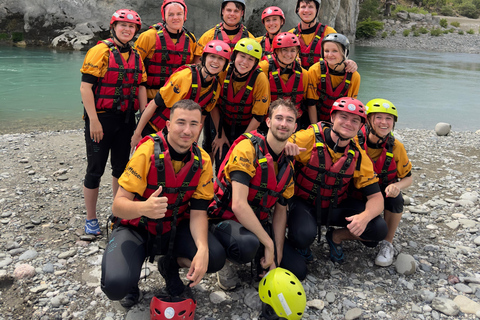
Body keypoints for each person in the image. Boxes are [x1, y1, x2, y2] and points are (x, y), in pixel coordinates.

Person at [101, 100, 226, 308]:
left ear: (200, 128)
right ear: (168, 125)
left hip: (173, 228)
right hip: (138, 227)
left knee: (213, 257)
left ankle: (169, 264)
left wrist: (202, 248)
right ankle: (131, 280)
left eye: (194, 124)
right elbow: (118, 206)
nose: (187, 130)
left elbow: (198, 213)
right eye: (181, 123)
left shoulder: (203, 160)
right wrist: (144, 208)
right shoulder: (147, 151)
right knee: (115, 286)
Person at [208, 99, 307, 292]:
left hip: (257, 221)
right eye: (278, 118)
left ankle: (266, 255)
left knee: (297, 270)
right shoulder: (247, 149)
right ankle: (226, 260)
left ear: (295, 127)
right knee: (247, 245)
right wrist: (268, 244)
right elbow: (238, 204)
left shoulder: (288, 163)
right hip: (225, 218)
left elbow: (280, 212)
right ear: (268, 122)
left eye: (289, 120)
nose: (283, 124)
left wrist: (276, 257)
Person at [285, 97, 388, 264]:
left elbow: (376, 198)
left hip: (335, 207)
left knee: (378, 229)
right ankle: (302, 241)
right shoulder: (307, 138)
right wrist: (285, 146)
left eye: (355, 120)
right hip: (304, 203)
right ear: (332, 118)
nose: (348, 123)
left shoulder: (358, 155)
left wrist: (365, 217)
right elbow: (273, 147)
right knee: (302, 235)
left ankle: (336, 236)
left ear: (361, 126)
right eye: (343, 117)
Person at [80, 9, 147, 235]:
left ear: (136, 31)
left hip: (125, 120)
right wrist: (93, 121)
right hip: (100, 120)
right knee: (95, 170)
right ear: (114, 27)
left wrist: (142, 116)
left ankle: (118, 214)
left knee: (121, 169)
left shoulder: (136, 55)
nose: (127, 29)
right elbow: (86, 87)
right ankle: (91, 219)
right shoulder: (100, 51)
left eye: (131, 27)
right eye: (123, 25)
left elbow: (140, 86)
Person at [130, 40, 231, 149]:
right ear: (204, 58)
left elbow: (201, 118)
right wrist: (137, 133)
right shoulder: (184, 77)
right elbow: (154, 104)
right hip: (154, 130)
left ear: (225, 64)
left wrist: (194, 143)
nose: (215, 62)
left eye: (221, 59)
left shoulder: (215, 88)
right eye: (212, 56)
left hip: (179, 138)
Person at [357, 99, 413, 267]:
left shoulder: (396, 147)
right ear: (368, 120)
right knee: (369, 238)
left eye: (389, 118)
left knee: (396, 199)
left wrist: (397, 186)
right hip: (357, 190)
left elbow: (408, 178)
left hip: (381, 191)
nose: (384, 122)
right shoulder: (354, 140)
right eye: (378, 117)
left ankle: (387, 243)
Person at [209, 38, 271, 173]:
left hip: (247, 127)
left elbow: (259, 116)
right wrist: (220, 135)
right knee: (221, 159)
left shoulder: (260, 79)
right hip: (222, 125)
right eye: (242, 56)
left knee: (240, 164)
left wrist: (242, 141)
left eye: (250, 59)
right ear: (234, 56)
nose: (244, 62)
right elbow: (213, 105)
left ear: (256, 63)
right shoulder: (223, 73)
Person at [134, 0, 197, 102]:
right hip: (150, 97)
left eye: (179, 14)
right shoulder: (148, 36)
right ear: (164, 16)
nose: (175, 18)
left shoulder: (190, 39)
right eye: (171, 14)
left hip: (177, 98)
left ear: (184, 16)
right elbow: (135, 66)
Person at [258, 32, 309, 131]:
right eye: (284, 50)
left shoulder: (304, 74)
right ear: (275, 51)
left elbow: (309, 103)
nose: (289, 54)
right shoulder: (264, 68)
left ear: (297, 51)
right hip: (267, 122)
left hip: (292, 123)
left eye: (292, 50)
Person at [306, 33, 360, 124]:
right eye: (326, 51)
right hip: (313, 118)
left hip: (338, 121)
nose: (330, 55)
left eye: (335, 51)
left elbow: (349, 107)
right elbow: (311, 103)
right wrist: (315, 128)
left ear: (345, 53)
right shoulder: (315, 70)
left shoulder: (354, 76)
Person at [289, 0, 357, 72]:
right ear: (298, 10)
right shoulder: (290, 35)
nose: (306, 10)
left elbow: (341, 59)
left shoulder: (330, 33)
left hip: (321, 80)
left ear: (317, 10)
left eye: (310, 7)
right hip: (299, 80)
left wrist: (350, 63)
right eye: (303, 7)